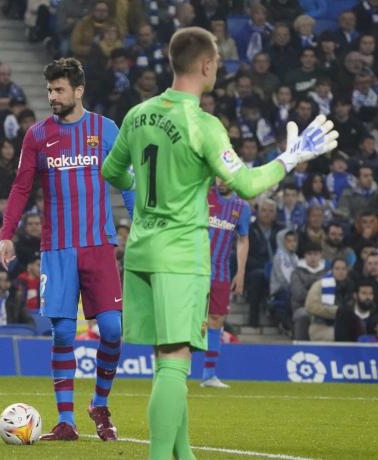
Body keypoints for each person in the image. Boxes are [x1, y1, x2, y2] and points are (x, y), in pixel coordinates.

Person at [101, 27, 338, 459]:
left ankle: (182, 453)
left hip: (139, 253)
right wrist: (290, 158)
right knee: (175, 359)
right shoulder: (203, 124)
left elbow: (112, 173)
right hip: (179, 254)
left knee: (165, 359)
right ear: (208, 65)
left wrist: (146, 192)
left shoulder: (137, 114)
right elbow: (246, 184)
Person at [0, 58, 135, 442]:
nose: (52, 97)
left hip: (99, 244)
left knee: (112, 330)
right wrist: (7, 233)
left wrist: (140, 225)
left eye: (59, 90)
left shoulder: (106, 130)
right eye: (49, 90)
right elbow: (21, 187)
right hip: (57, 248)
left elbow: (128, 183)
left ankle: (100, 405)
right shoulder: (37, 135)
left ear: (78, 90)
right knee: (61, 333)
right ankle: (66, 421)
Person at [202, 178, 250, 389]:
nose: (220, 181)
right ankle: (173, 369)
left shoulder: (241, 207)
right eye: (218, 176)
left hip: (220, 271)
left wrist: (240, 272)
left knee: (216, 319)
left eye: (225, 177)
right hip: (194, 268)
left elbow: (243, 238)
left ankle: (208, 375)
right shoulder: (204, 194)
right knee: (185, 319)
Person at [305, 258, 352, 341]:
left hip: (346, 325)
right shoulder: (320, 285)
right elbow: (310, 306)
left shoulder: (351, 286)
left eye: (343, 269)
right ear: (331, 270)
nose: (340, 272)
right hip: (321, 326)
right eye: (337, 269)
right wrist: (336, 311)